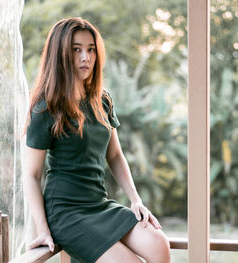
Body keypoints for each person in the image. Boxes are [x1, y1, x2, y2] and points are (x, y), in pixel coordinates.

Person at [23, 17, 170, 263]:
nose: (86, 57)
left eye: (91, 49)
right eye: (76, 50)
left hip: (98, 204)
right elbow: (31, 175)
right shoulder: (45, 108)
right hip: (66, 213)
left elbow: (115, 155)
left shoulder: (102, 100)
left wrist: (136, 200)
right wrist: (43, 229)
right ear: (60, 55)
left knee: (158, 244)